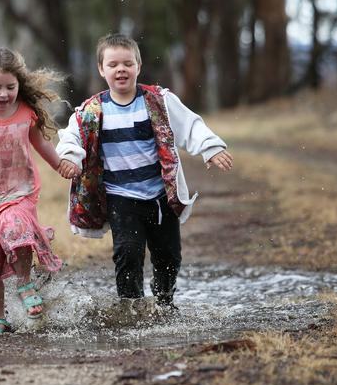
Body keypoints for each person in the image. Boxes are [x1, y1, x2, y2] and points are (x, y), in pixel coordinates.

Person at [55, 33, 233, 308]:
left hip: (159, 195)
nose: (121, 69)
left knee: (169, 255)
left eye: (127, 63)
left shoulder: (158, 101)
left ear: (138, 65)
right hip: (120, 197)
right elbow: (71, 136)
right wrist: (69, 157)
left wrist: (210, 148)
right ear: (102, 69)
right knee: (127, 252)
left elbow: (190, 125)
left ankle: (164, 300)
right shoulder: (91, 110)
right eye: (113, 64)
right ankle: (132, 306)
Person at [0, 47, 73, 335]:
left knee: (15, 228)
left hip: (18, 191)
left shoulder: (25, 112)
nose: (4, 94)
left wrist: (61, 165)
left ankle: (24, 281)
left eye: (10, 87)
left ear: (19, 85)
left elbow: (42, 145)